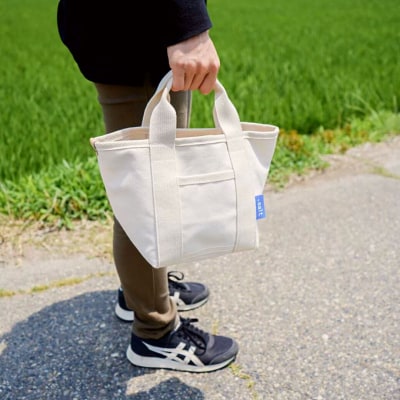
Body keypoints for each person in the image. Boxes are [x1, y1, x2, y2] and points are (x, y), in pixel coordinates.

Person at [56, 1, 238, 372]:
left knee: (147, 190)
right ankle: (155, 332)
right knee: (148, 196)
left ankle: (141, 291)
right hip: (141, 28)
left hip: (127, 26)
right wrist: (187, 26)